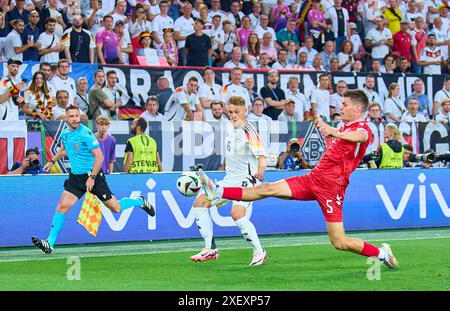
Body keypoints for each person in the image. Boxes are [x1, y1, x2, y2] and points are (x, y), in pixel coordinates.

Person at [197, 89, 399, 269]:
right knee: (266, 188)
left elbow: (361, 137)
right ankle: (219, 191)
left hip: (332, 189)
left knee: (339, 242)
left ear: (356, 108)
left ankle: (382, 253)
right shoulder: (344, 127)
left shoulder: (363, 128)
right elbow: (340, 143)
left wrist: (331, 131)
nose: (341, 107)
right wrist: (326, 129)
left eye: (345, 104)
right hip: (312, 179)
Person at [31, 105, 155, 254]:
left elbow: (99, 157)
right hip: (76, 178)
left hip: (93, 175)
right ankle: (49, 243)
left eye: (77, 116)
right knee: (62, 206)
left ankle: (139, 201)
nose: (76, 119)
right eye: (72, 116)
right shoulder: (65, 134)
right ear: (66, 118)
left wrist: (92, 177)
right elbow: (64, 148)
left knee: (116, 208)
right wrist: (52, 161)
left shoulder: (85, 134)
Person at [189, 95, 268, 266]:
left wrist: (261, 170)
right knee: (200, 202)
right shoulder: (230, 127)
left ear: (245, 111)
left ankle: (259, 252)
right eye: (230, 111)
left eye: (237, 112)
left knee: (236, 214)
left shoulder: (249, 130)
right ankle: (210, 249)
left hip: (247, 181)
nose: (233, 115)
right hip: (229, 179)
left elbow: (261, 155)